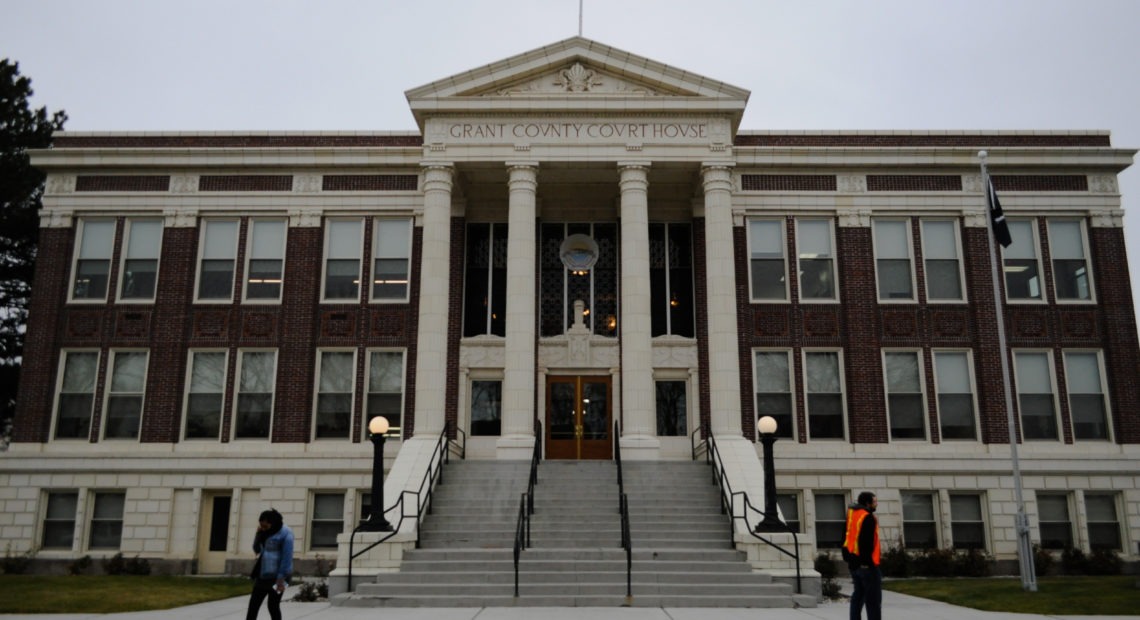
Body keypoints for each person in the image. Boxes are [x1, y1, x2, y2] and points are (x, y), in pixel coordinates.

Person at [247, 508, 294, 620]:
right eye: (261, 526)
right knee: (253, 606)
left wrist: (280, 579)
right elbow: (257, 549)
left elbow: (287, 558)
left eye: (265, 526)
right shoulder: (264, 533)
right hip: (263, 575)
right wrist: (258, 534)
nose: (263, 528)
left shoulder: (286, 533)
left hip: (280, 576)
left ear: (273, 523)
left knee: (273, 606)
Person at [843, 492, 881, 620]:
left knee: (858, 596)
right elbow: (866, 542)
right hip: (867, 565)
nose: (876, 504)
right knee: (873, 600)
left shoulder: (852, 515)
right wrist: (867, 562)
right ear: (867, 503)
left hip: (853, 563)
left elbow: (845, 537)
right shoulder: (868, 517)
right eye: (874, 502)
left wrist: (848, 557)